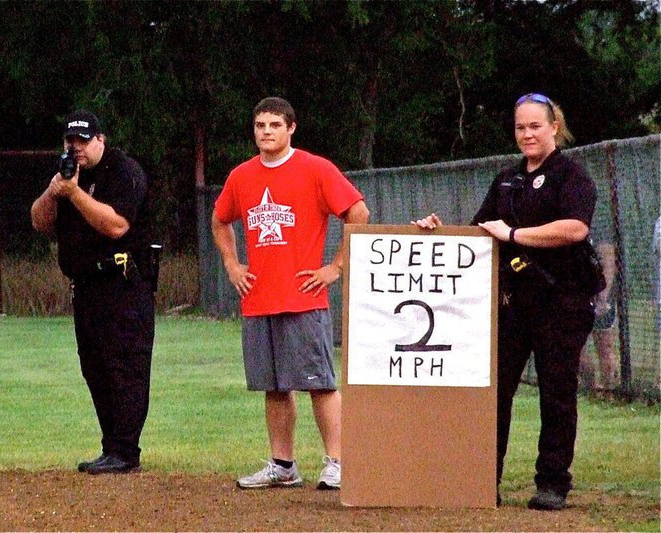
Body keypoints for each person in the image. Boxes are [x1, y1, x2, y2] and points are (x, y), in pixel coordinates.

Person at [414, 93, 598, 511]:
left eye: (535, 126)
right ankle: (483, 480)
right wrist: (435, 230)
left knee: (556, 393)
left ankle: (552, 482)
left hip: (563, 301)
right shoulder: (506, 179)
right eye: (520, 127)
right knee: (494, 392)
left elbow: (574, 229)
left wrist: (514, 235)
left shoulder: (571, 176)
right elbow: (480, 234)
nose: (527, 134)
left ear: (554, 127)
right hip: (513, 304)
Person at [212, 97, 369, 490]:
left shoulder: (315, 168)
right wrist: (232, 265)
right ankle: (283, 465)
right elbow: (219, 219)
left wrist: (336, 267)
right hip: (259, 297)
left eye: (275, 125)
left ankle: (338, 462)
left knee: (320, 383)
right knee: (274, 386)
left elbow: (358, 213)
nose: (266, 132)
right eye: (260, 125)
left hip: (303, 295)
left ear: (291, 128)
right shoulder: (241, 176)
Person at [31, 109, 155, 475]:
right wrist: (54, 191)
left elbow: (116, 226)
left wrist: (74, 193)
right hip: (85, 286)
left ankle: (126, 451)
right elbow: (40, 222)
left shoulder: (124, 171)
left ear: (100, 140)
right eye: (70, 141)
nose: (76, 148)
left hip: (122, 283)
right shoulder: (68, 173)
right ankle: (110, 447)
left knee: (125, 366)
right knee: (95, 367)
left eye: (83, 141)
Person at [578, 222, 618, 394]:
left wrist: (603, 298)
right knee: (578, 347)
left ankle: (610, 390)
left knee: (605, 346)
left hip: (600, 299)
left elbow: (609, 264)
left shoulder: (600, 228)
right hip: (579, 297)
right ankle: (590, 389)